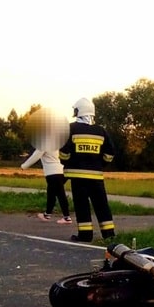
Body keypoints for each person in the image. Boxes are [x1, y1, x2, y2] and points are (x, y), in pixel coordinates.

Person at [59, 97, 117, 242]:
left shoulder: (70, 129)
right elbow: (110, 154)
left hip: (77, 177)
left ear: (78, 111)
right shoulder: (101, 131)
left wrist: (67, 162)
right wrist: (99, 164)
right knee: (102, 205)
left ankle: (85, 235)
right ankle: (109, 235)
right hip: (96, 177)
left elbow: (63, 153)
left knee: (82, 206)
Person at [20, 144, 72, 224]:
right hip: (59, 171)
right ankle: (47, 214)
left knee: (59, 194)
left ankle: (66, 217)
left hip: (52, 173)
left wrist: (24, 166)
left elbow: (35, 156)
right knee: (52, 194)